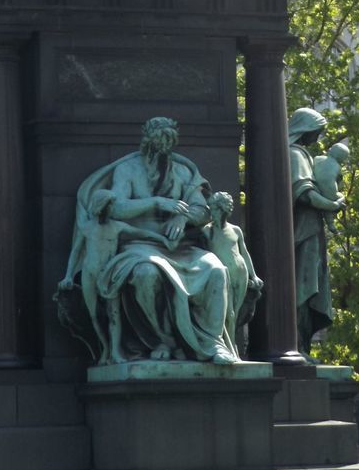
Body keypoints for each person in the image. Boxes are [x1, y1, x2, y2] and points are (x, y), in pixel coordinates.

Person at [62, 116, 237, 364]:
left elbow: (202, 210)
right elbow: (117, 208)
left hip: (181, 247)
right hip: (137, 245)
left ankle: (213, 344)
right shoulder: (128, 170)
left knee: (217, 270)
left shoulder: (183, 171)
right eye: (160, 142)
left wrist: (183, 218)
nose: (165, 148)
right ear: (148, 141)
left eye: (170, 142)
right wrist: (155, 202)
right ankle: (162, 341)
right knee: (146, 274)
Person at [57, 187, 171, 364]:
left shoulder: (117, 227)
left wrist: (162, 239)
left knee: (114, 314)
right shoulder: (87, 227)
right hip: (90, 274)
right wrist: (68, 275)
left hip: (109, 273)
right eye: (111, 205)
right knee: (95, 315)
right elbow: (76, 252)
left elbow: (141, 233)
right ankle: (105, 350)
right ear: (102, 206)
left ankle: (116, 351)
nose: (113, 208)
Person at [288, 107, 346, 356]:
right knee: (304, 286)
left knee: (308, 284)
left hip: (309, 230)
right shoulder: (295, 154)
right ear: (306, 129)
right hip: (304, 232)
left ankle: (301, 345)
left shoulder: (302, 154)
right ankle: (298, 345)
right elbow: (306, 195)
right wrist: (333, 205)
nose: (319, 138)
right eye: (317, 132)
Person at [205, 191, 263, 349]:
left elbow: (244, 253)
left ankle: (232, 346)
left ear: (223, 209)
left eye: (215, 209)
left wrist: (254, 275)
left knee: (235, 315)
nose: (212, 212)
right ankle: (229, 348)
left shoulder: (235, 230)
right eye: (211, 208)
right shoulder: (207, 231)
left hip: (240, 273)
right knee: (228, 313)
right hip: (223, 275)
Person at [313, 140, 350, 235]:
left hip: (315, 187)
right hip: (331, 193)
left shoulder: (317, 158)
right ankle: (331, 223)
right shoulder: (337, 167)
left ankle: (331, 223)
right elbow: (339, 182)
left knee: (327, 197)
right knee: (340, 197)